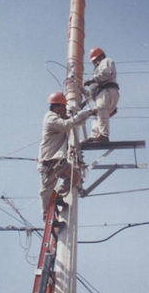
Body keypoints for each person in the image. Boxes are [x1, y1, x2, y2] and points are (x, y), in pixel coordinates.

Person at [38, 91, 96, 219]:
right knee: (46, 190)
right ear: (57, 107)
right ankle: (46, 214)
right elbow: (66, 125)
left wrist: (83, 116)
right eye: (63, 107)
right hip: (49, 163)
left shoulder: (58, 118)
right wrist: (82, 114)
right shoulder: (51, 118)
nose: (65, 110)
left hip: (59, 163)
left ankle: (57, 196)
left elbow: (71, 126)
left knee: (75, 177)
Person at [83, 47, 119, 143]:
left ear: (101, 56)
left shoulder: (106, 61)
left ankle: (103, 135)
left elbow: (106, 73)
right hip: (104, 93)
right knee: (97, 114)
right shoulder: (98, 68)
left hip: (107, 91)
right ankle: (95, 135)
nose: (95, 63)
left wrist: (92, 79)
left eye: (95, 60)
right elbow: (94, 89)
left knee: (101, 110)